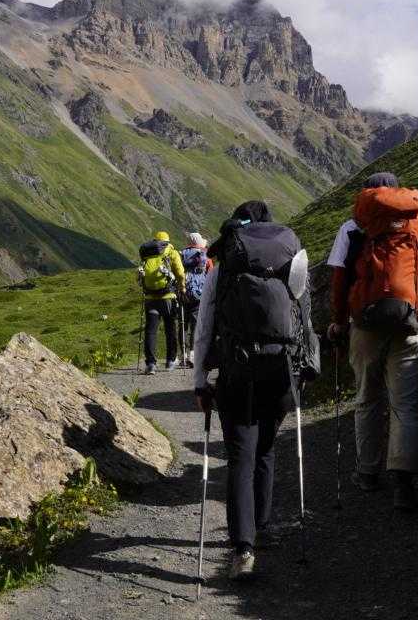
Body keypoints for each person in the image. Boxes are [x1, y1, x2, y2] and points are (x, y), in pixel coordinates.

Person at [190, 201, 319, 580]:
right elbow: (305, 317)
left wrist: (199, 381)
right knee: (265, 449)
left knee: (241, 456)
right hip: (281, 370)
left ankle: (243, 548)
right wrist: (306, 366)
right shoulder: (291, 259)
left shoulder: (225, 265)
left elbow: (204, 326)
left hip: (238, 371)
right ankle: (262, 527)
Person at [325, 171, 418, 512]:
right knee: (404, 404)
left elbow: (339, 278)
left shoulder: (352, 227)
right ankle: (403, 483)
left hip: (365, 324)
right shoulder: (416, 226)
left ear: (367, 197)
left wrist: (338, 321)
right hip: (408, 321)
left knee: (367, 398)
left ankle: (367, 473)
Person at [136, 230, 186, 374]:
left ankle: (151, 364)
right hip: (168, 298)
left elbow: (139, 275)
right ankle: (170, 361)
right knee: (170, 329)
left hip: (150, 298)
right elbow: (180, 273)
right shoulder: (172, 253)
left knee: (151, 330)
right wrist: (182, 287)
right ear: (167, 241)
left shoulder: (147, 254)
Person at [176, 233, 210, 368]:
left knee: (183, 324)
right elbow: (210, 274)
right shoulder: (204, 255)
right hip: (199, 295)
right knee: (195, 325)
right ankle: (192, 355)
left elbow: (175, 272)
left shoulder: (180, 255)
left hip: (183, 293)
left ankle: (183, 356)